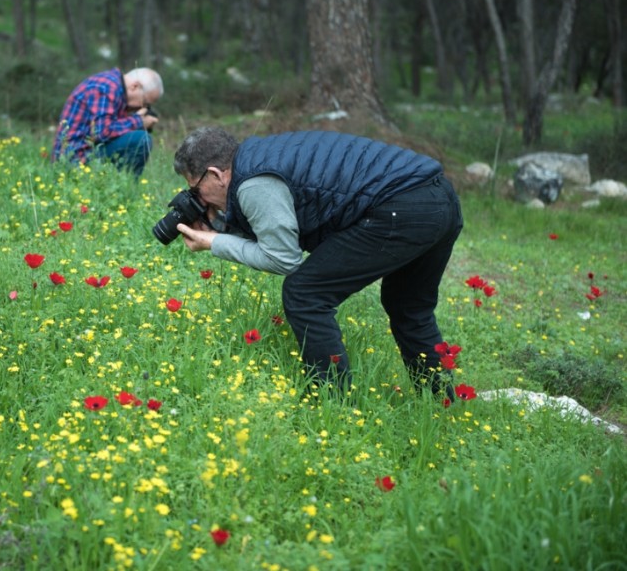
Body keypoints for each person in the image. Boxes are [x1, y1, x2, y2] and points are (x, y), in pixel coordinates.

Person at [172, 127, 464, 400]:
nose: (198, 199)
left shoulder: (253, 183)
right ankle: (442, 401)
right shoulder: (259, 157)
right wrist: (221, 226)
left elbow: (283, 258)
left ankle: (330, 401)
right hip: (438, 197)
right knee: (408, 305)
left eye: (196, 190)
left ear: (216, 174)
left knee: (305, 294)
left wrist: (212, 242)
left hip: (401, 206)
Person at [52, 67, 163, 176]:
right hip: (73, 161)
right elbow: (102, 132)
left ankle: (118, 187)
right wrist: (138, 121)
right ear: (135, 86)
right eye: (144, 102)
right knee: (141, 140)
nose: (141, 107)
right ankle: (125, 189)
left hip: (85, 153)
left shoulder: (114, 86)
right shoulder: (107, 88)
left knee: (136, 137)